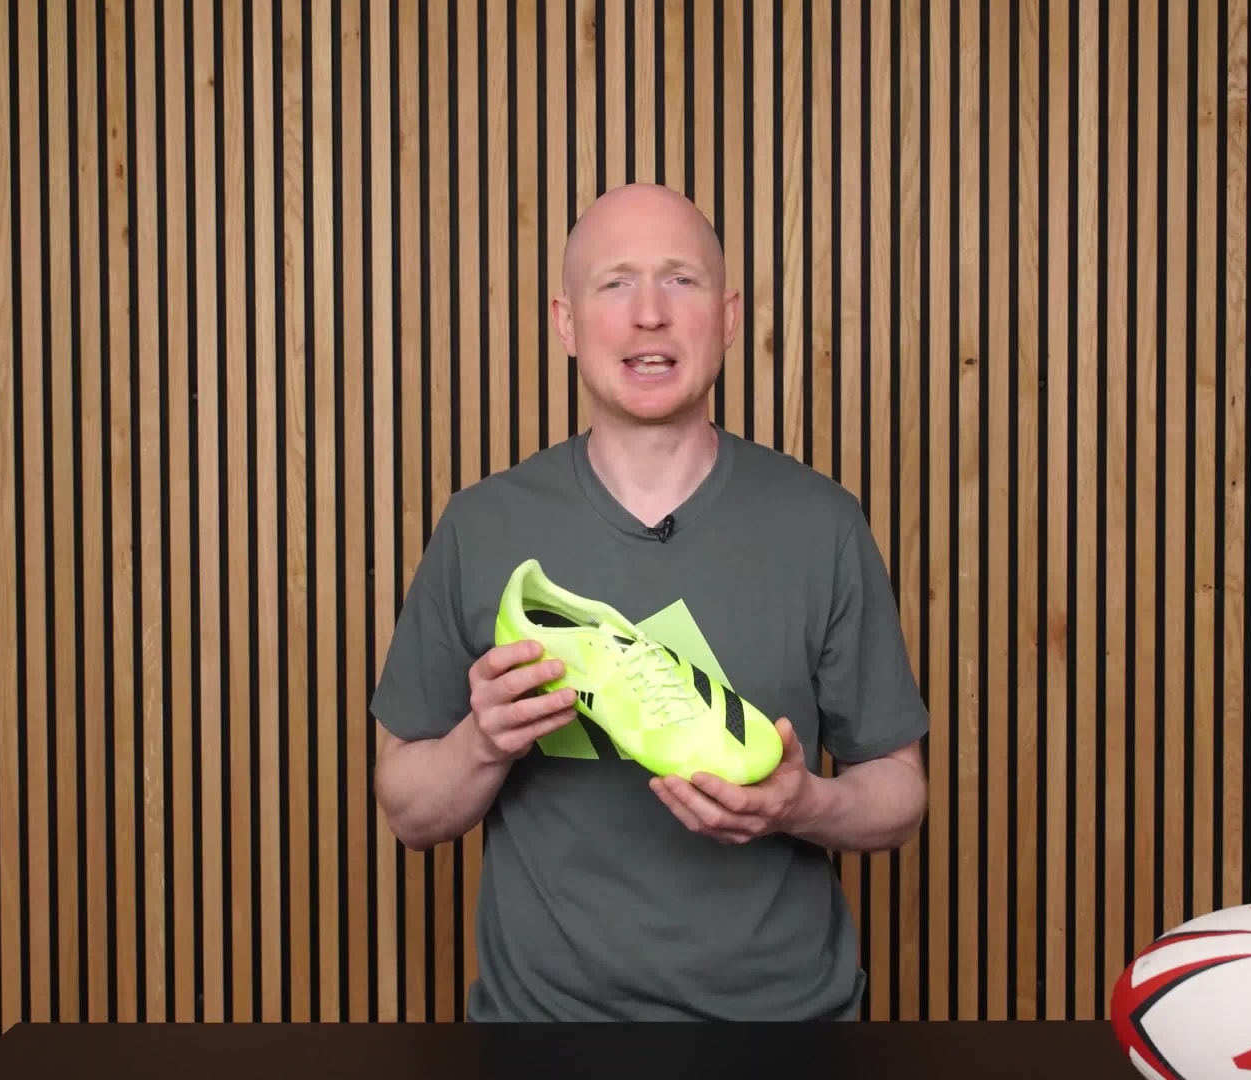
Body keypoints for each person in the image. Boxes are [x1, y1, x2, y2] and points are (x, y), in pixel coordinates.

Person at [369, 182, 931, 1022]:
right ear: (566, 322)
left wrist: (802, 804)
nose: (649, 315)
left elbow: (900, 792)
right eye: (615, 283)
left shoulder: (822, 524)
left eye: (681, 280)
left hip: (787, 1034)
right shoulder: (482, 527)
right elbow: (409, 810)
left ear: (730, 318)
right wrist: (483, 741)